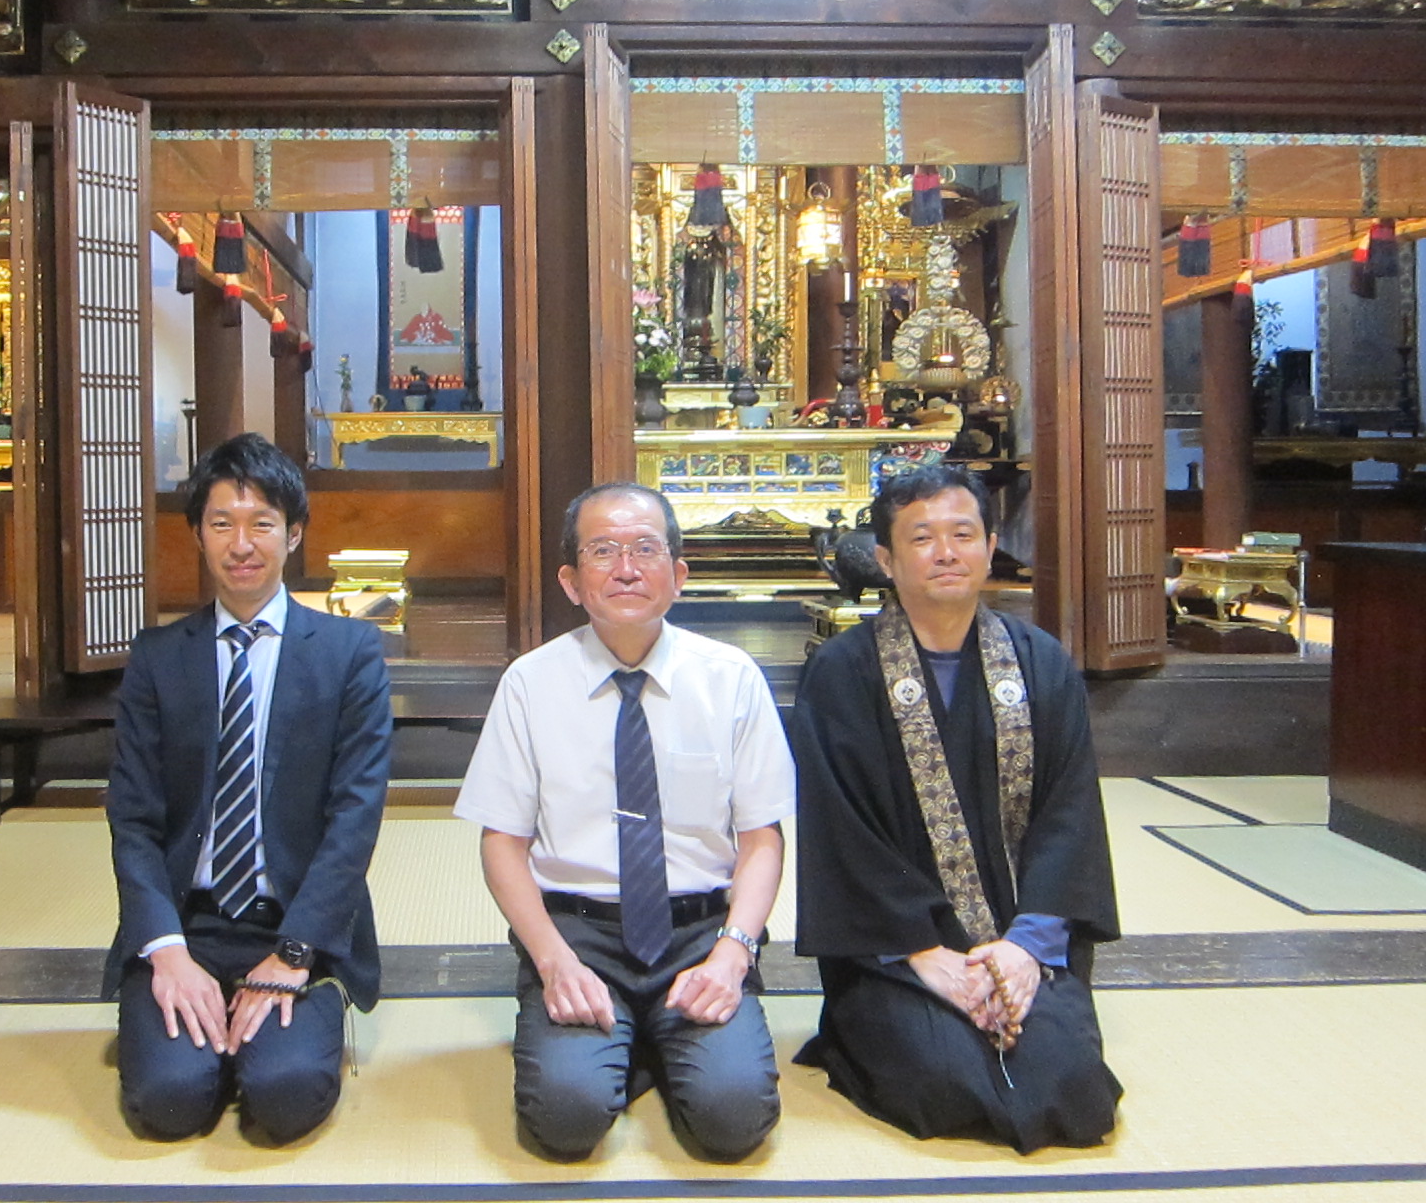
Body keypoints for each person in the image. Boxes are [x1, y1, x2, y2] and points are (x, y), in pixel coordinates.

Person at [456, 482, 794, 1161]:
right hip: (578, 934)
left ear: (680, 572)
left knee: (734, 1123)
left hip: (699, 931)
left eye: (646, 549)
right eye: (603, 551)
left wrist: (734, 954)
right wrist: (551, 960)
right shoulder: (530, 682)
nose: (627, 568)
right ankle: (640, 1038)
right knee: (565, 1122)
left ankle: (650, 1038)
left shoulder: (731, 678)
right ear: (571, 581)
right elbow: (502, 843)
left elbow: (762, 838)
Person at [789, 466, 1122, 1153]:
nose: (946, 553)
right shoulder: (843, 673)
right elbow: (841, 832)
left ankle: (1024, 975)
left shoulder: (1041, 663)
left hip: (1022, 942)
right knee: (941, 1080)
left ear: (991, 545)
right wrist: (920, 951)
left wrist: (1027, 948)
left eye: (963, 534)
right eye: (922, 538)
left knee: (1069, 1089)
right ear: (885, 559)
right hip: (896, 952)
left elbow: (1070, 817)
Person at [105, 431, 392, 1144]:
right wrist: (167, 951)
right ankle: (199, 1028)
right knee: (170, 1103)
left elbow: (354, 817)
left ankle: (279, 1024)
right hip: (188, 922)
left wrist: (296, 953)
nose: (242, 543)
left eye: (262, 523)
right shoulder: (158, 658)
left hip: (295, 924)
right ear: (197, 535)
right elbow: (133, 819)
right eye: (222, 523)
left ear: (293, 534)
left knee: (286, 1097)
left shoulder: (349, 654)